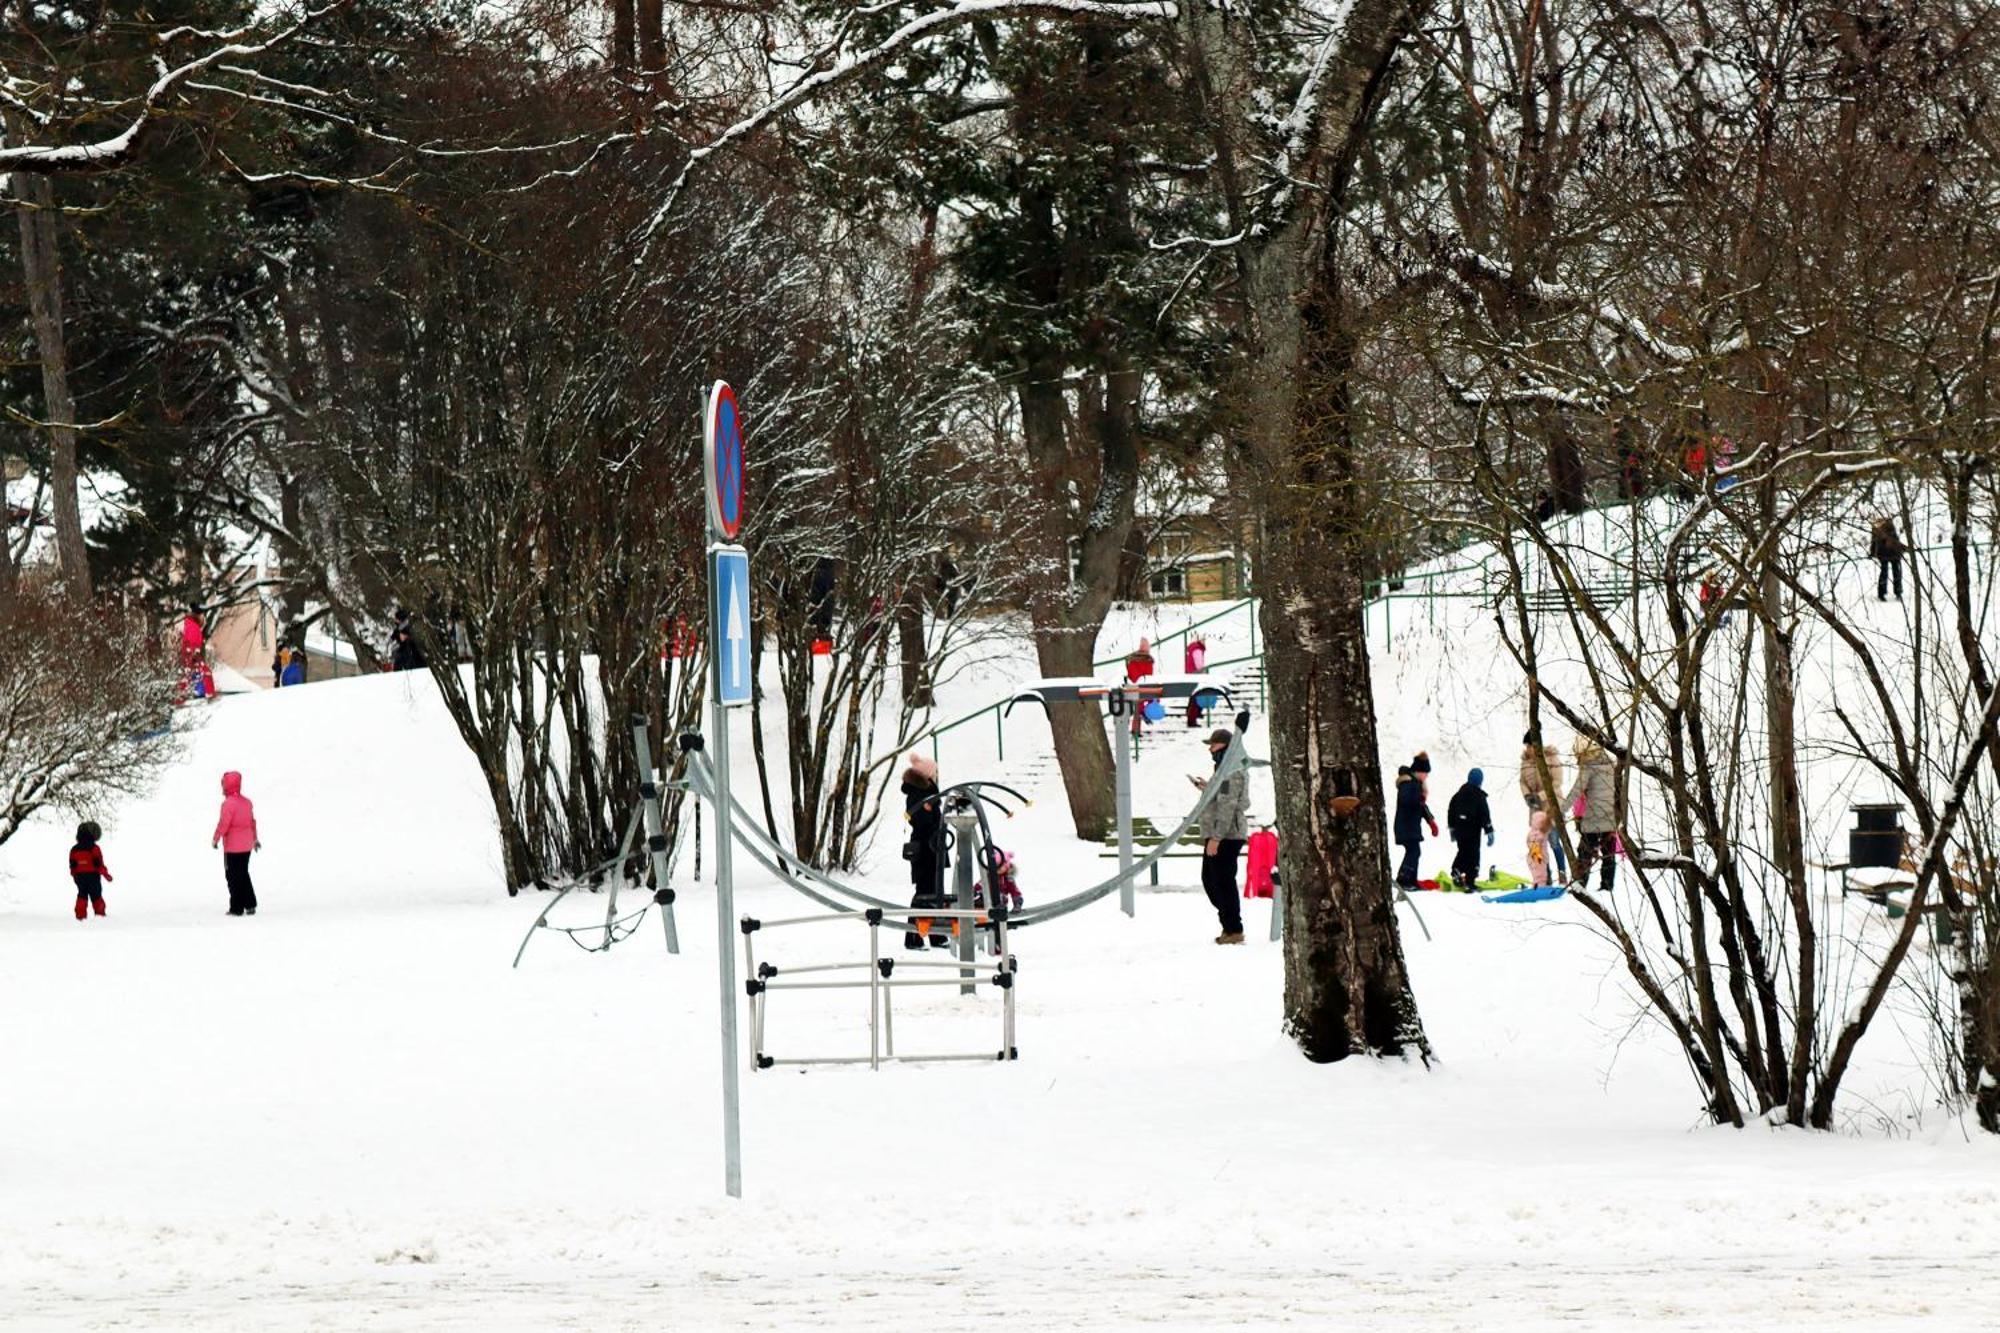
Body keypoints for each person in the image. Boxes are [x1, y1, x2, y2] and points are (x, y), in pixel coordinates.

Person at [1191, 728, 1249, 944]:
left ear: (1225, 747)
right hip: (1219, 834)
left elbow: (1227, 805)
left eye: (1213, 745)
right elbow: (1221, 797)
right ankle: (1229, 923)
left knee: (1222, 882)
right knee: (1211, 880)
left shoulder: (1231, 772)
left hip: (1226, 835)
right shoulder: (1223, 770)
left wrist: (1216, 838)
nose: (1210, 749)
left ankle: (1233, 928)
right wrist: (1207, 788)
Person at [901, 754, 949, 949]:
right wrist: (928, 814)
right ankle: (914, 936)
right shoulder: (919, 795)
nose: (935, 775)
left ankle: (935, 935)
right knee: (924, 893)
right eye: (933, 772)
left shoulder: (928, 794)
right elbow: (918, 821)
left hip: (933, 848)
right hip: (926, 849)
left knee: (933, 892)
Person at [1563, 739, 1620, 893]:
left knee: (1584, 853)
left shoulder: (1588, 767)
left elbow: (1576, 791)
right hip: (1609, 818)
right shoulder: (1610, 765)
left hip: (1593, 819)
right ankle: (1607, 886)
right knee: (1609, 855)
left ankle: (1580, 885)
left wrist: (1562, 810)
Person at [1518, 731, 1569, 879]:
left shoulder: (1552, 759)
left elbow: (1557, 783)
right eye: (1526, 746)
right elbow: (1522, 781)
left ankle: (1562, 873)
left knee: (1553, 841)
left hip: (1552, 807)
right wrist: (1527, 795)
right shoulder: (1525, 762)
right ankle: (1543, 874)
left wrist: (1539, 796)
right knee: (1536, 843)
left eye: (1530, 745)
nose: (1527, 749)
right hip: (1535, 809)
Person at [212, 771, 262, 916]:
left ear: (226, 785)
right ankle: (250, 904)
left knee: (232, 876)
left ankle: (237, 908)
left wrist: (216, 838)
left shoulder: (227, 804)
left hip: (232, 847)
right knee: (243, 874)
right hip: (246, 845)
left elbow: (223, 824)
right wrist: (255, 839)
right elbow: (252, 822)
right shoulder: (247, 802)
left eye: (223, 784)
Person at [1446, 768, 1494, 889]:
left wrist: (1452, 828)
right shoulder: (1479, 796)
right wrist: (1489, 830)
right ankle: (1470, 880)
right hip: (1473, 830)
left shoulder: (1457, 795)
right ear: (1480, 781)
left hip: (1460, 829)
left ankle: (1457, 869)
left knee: (1463, 851)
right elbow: (1484, 814)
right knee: (1473, 854)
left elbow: (1451, 811)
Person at [1392, 765, 1435, 888]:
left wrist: (1430, 821)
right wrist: (1419, 797)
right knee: (1413, 851)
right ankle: (1403, 879)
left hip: (1409, 826)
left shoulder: (1410, 786)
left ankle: (1411, 880)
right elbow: (1408, 801)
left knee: (1415, 851)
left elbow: (1421, 806)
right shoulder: (1407, 785)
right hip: (1407, 826)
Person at [69, 820, 113, 920]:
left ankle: (80, 916)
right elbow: (100, 864)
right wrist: (107, 875)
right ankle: (100, 915)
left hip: (80, 877)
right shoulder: (94, 848)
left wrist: (75, 876)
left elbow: (72, 865)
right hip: (93, 876)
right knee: (96, 896)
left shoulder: (74, 849)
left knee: (82, 895)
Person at [1869, 518, 1904, 601]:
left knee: (1888, 573)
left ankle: (1885, 593)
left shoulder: (1882, 528)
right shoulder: (1885, 528)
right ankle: (1896, 592)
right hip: (1888, 554)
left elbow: (1894, 542)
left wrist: (1872, 552)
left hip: (1887, 554)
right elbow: (1896, 542)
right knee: (1893, 572)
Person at [1526, 809, 1553, 887]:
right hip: (1537, 857)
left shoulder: (1539, 832)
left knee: (1541, 874)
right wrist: (1538, 857)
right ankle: (1539, 887)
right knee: (1540, 874)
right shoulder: (1537, 834)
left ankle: (1540, 885)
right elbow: (1533, 845)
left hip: (1539, 857)